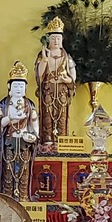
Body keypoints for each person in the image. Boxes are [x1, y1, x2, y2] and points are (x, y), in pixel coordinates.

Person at [0, 61, 40, 200]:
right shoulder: (5, 104)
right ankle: (8, 197)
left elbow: (35, 124)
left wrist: (34, 135)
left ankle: (23, 197)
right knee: (8, 171)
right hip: (9, 141)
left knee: (24, 171)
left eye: (21, 86)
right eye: (16, 85)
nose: (19, 89)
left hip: (25, 142)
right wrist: (10, 118)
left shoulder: (29, 104)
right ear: (9, 87)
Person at [34, 17, 76, 146]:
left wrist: (66, 79)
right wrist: (45, 59)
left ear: (62, 40)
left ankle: (61, 139)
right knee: (47, 114)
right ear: (48, 40)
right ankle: (47, 139)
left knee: (62, 114)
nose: (56, 41)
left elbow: (73, 76)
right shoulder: (43, 55)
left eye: (58, 38)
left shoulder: (66, 56)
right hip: (48, 89)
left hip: (62, 91)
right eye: (53, 39)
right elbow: (39, 74)